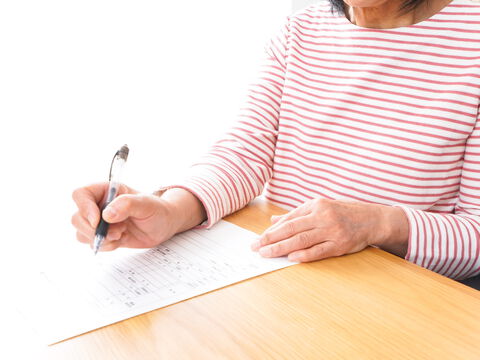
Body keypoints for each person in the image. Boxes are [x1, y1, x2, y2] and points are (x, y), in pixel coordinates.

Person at [71, 0, 480, 281]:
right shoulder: (301, 30)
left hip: (401, 308)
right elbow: (245, 154)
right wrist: (169, 211)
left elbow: (475, 235)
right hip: (278, 285)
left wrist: (378, 224)